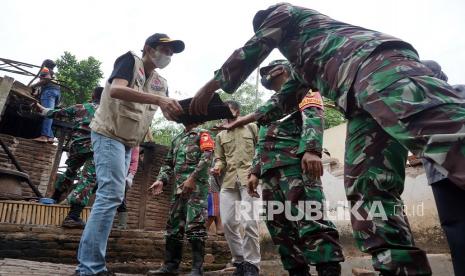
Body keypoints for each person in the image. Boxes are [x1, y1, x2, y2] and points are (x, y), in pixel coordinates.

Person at [189, 3, 465, 274]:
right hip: (357, 105)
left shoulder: (286, 13)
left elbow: (255, 47)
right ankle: (401, 268)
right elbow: (281, 102)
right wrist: (244, 120)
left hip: (380, 67)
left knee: (450, 144)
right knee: (366, 188)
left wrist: (211, 87)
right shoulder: (302, 67)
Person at [75, 33, 184, 276]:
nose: (168, 55)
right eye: (164, 49)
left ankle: (93, 266)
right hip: (108, 132)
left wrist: (189, 111)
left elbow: (163, 110)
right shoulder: (130, 61)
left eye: (171, 52)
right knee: (110, 194)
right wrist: (159, 99)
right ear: (148, 48)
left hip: (129, 143)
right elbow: (116, 90)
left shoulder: (160, 82)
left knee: (113, 195)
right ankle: (89, 268)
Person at [244, 59, 344, 276]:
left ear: (281, 70)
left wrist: (311, 149)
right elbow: (263, 140)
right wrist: (255, 171)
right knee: (279, 227)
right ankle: (297, 271)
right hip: (270, 172)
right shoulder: (269, 106)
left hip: (295, 165)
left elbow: (314, 115)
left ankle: (328, 269)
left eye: (268, 72)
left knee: (311, 219)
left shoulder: (303, 90)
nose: (265, 77)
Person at [148, 124, 214, 276]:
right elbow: (168, 163)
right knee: (173, 227)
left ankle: (197, 269)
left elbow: (207, 156)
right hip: (178, 189)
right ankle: (171, 266)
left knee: (195, 226)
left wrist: (193, 178)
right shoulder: (177, 138)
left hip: (196, 188)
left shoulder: (203, 134)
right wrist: (161, 180)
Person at [420, 60, 465, 276]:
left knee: (457, 231)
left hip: (444, 174)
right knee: (457, 234)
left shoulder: (459, 92)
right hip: (440, 176)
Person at [36, 86, 103, 228]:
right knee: (89, 179)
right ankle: (73, 216)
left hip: (76, 146)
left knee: (70, 172)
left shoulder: (81, 107)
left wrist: (43, 109)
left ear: (93, 95)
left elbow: (58, 112)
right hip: (94, 147)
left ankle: (54, 198)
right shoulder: (107, 112)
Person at [211, 101, 260, 276]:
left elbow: (260, 149)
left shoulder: (251, 127)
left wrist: (257, 172)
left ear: (237, 111)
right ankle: (240, 261)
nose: (225, 112)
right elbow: (220, 158)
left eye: (228, 108)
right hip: (229, 181)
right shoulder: (220, 135)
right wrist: (217, 166)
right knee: (228, 223)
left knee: (249, 222)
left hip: (250, 179)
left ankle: (252, 265)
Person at [31, 61, 61, 143]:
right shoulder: (54, 73)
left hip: (49, 92)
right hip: (57, 93)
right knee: (48, 113)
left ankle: (44, 136)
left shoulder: (45, 69)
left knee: (48, 113)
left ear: (44, 64)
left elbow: (47, 79)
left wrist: (32, 86)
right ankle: (50, 137)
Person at [115, 146, 140, 230]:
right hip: (115, 173)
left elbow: (134, 161)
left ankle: (122, 224)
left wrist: (130, 176)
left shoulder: (134, 145)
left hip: (125, 176)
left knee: (121, 199)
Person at [206, 161, 223, 236]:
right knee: (214, 208)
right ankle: (205, 228)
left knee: (217, 207)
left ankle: (219, 228)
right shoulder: (212, 154)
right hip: (212, 186)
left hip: (217, 186)